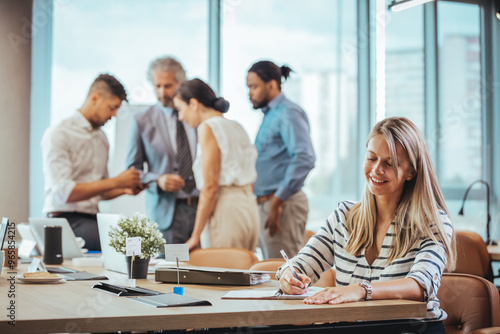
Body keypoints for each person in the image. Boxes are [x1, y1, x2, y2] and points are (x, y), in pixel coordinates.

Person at [277, 117, 456, 333]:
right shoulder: (343, 216)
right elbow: (301, 264)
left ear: (412, 171)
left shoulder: (432, 222)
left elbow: (421, 285)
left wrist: (361, 290)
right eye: (372, 158)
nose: (376, 170)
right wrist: (289, 274)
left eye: (389, 163)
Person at [42, 73, 143, 251]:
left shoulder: (102, 138)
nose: (114, 115)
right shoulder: (59, 134)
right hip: (64, 220)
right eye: (112, 108)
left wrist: (125, 189)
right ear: (95, 98)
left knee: (135, 240)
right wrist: (117, 181)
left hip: (92, 219)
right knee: (121, 244)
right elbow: (64, 193)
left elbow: (101, 191)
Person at [173, 78, 260, 251]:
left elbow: (211, 187)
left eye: (180, 109)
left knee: (223, 274)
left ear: (193, 104)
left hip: (226, 211)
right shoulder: (237, 126)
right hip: (249, 209)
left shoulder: (208, 127)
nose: (180, 117)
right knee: (246, 270)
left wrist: (195, 236)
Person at [246, 60, 315, 259]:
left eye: (254, 86)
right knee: (272, 273)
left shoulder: (288, 113)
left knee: (287, 274)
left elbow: (305, 158)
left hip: (283, 205)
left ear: (272, 85)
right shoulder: (271, 114)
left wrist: (277, 201)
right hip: (270, 204)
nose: (249, 93)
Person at [126, 56, 199, 244]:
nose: (162, 93)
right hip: (166, 214)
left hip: (202, 211)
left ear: (182, 83)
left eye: (168, 86)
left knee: (205, 270)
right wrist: (158, 180)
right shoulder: (142, 121)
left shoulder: (198, 116)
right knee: (168, 271)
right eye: (157, 86)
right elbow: (132, 172)